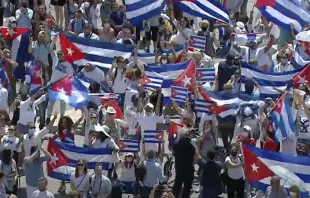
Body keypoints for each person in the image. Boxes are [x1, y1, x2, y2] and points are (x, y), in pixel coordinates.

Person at [172, 127, 195, 198]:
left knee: (177, 186)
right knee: (187, 188)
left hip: (179, 167)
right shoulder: (191, 145)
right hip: (188, 168)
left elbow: (174, 153)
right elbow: (194, 156)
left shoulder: (176, 144)